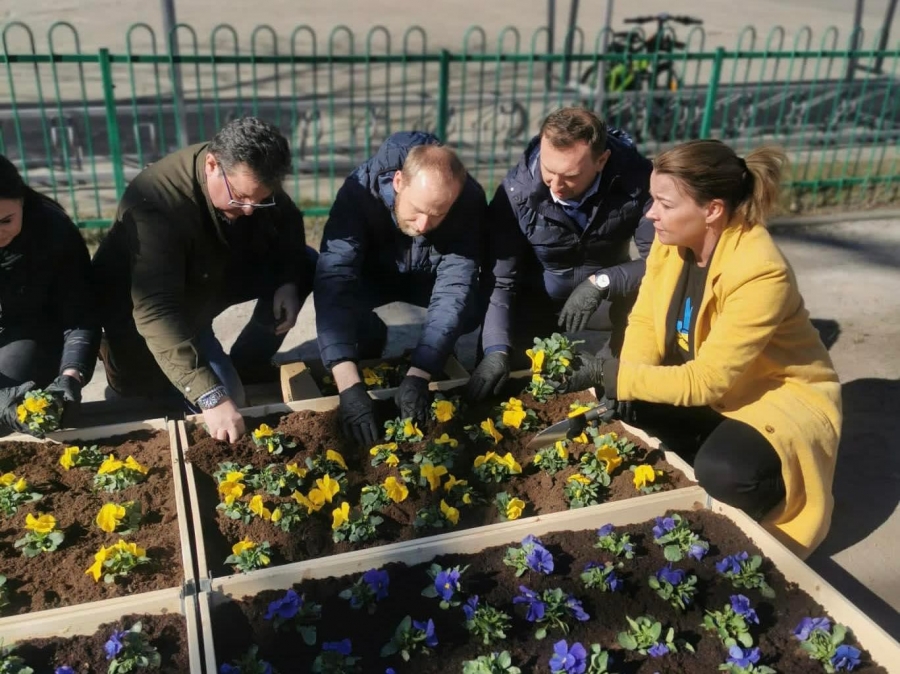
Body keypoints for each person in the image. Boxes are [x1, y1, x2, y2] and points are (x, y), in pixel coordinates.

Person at [563, 139, 842, 558]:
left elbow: (708, 381)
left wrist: (610, 373)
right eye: (652, 200)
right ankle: (700, 449)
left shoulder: (759, 270)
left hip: (774, 398)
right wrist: (623, 382)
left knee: (724, 471)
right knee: (627, 405)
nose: (651, 213)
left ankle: (764, 500)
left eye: (665, 203)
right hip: (717, 387)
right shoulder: (672, 243)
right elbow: (645, 320)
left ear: (712, 210)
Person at [92, 117, 317, 443]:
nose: (250, 209)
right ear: (212, 165)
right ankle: (123, 369)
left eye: (261, 199)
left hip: (206, 280)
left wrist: (288, 282)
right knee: (203, 403)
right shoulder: (155, 205)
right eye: (241, 197)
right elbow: (156, 311)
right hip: (143, 312)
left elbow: (288, 220)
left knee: (305, 262)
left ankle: (248, 365)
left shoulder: (250, 173)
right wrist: (210, 395)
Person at [467, 107, 654, 401]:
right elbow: (500, 281)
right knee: (500, 382)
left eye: (570, 176)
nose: (555, 186)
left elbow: (662, 263)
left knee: (650, 305)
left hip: (604, 298)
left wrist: (603, 282)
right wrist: (495, 349)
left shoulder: (638, 181)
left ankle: (623, 381)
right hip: (536, 299)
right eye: (548, 170)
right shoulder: (517, 193)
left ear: (601, 161)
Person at [315, 132, 485, 447]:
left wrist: (421, 372)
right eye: (417, 209)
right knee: (345, 308)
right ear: (398, 182)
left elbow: (454, 287)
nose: (423, 225)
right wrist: (348, 385)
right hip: (373, 276)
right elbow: (335, 279)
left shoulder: (467, 199)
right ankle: (368, 336)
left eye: (438, 214)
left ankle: (439, 352)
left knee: (471, 306)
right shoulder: (358, 191)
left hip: (426, 278)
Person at [0, 154, 98, 436]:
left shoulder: (53, 233)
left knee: (19, 400)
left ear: (22, 201)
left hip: (29, 330)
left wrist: (72, 374)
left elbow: (80, 312)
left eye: (6, 220)